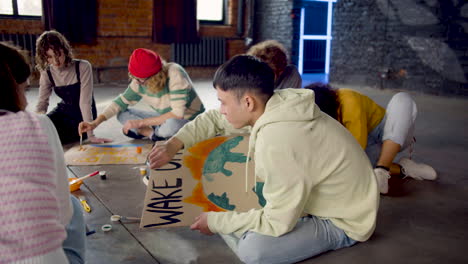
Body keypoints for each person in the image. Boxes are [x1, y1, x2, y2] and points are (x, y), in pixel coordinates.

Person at [148, 55, 379, 263]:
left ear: (248, 102)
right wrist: (173, 144)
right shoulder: (274, 106)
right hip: (324, 195)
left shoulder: (279, 139)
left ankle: (329, 233)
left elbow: (277, 221)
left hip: (343, 219)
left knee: (254, 250)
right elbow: (212, 120)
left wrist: (217, 222)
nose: (221, 109)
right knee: (249, 197)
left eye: (223, 102)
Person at [0, 42, 85, 263]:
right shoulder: (38, 124)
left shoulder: (81, 67)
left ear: (66, 52)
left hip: (76, 116)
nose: (25, 99)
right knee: (73, 206)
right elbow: (62, 214)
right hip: (44, 258)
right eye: (24, 88)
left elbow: (86, 100)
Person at [304, 83, 437, 194]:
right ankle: (403, 169)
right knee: (357, 167)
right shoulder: (318, 120)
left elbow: (357, 149)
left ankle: (382, 170)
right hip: (367, 147)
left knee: (402, 99)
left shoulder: (348, 99)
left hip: (392, 133)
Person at [78, 48, 205, 141]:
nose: (137, 82)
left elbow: (178, 114)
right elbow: (119, 103)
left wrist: (139, 124)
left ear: (156, 76)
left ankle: (151, 133)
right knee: (122, 113)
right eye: (134, 77)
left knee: (171, 125)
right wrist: (95, 123)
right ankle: (154, 133)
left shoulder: (175, 73)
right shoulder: (139, 82)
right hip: (163, 117)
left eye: (140, 79)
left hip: (189, 119)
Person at [35, 30, 106, 144]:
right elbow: (42, 103)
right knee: (42, 133)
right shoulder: (46, 73)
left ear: (65, 49)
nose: (55, 61)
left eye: (58, 54)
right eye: (50, 57)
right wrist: (37, 124)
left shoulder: (83, 66)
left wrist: (90, 134)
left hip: (82, 115)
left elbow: (85, 103)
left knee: (56, 139)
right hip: (63, 110)